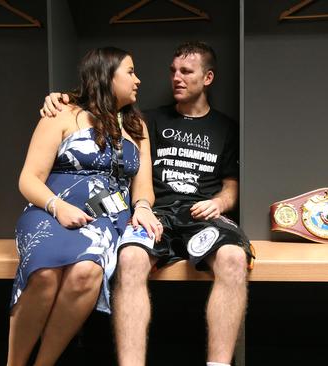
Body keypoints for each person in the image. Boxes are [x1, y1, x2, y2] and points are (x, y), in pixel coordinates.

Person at [41, 41, 253, 366]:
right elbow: (97, 104)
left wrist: (219, 204)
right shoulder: (145, 120)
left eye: (186, 71)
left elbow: (231, 187)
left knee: (234, 258)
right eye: (173, 71)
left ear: (208, 78)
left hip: (202, 218)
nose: (177, 78)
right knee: (130, 259)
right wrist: (62, 99)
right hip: (154, 216)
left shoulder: (226, 128)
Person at [8, 47, 162, 366]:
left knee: (86, 273)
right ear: (106, 76)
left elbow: (143, 185)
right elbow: (28, 178)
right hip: (48, 212)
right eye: (130, 72)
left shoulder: (137, 127)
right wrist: (57, 206)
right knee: (46, 273)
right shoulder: (63, 114)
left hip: (107, 215)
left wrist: (144, 205)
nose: (138, 80)